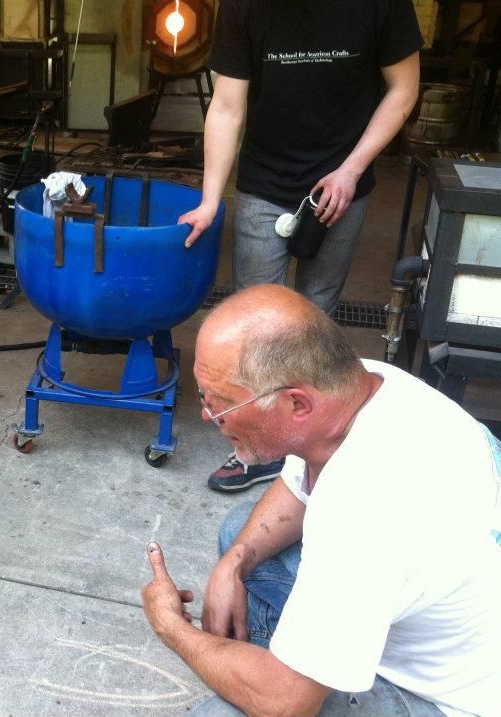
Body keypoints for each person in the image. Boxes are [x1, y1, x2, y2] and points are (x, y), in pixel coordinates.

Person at [141, 284, 501, 717]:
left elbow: (286, 704)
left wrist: (172, 628)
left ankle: (282, 665)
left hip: (447, 701)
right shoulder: (364, 385)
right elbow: (297, 490)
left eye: (220, 404)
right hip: (441, 623)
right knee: (241, 532)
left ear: (296, 404)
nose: (207, 415)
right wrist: (232, 562)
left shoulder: (364, 511)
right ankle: (291, 654)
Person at [178, 0, 423, 493]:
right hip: (264, 183)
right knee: (253, 329)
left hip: (342, 182)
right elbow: (227, 106)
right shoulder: (244, 7)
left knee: (317, 319)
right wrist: (209, 200)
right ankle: (255, 450)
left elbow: (403, 89)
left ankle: (314, 448)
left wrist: (352, 171)